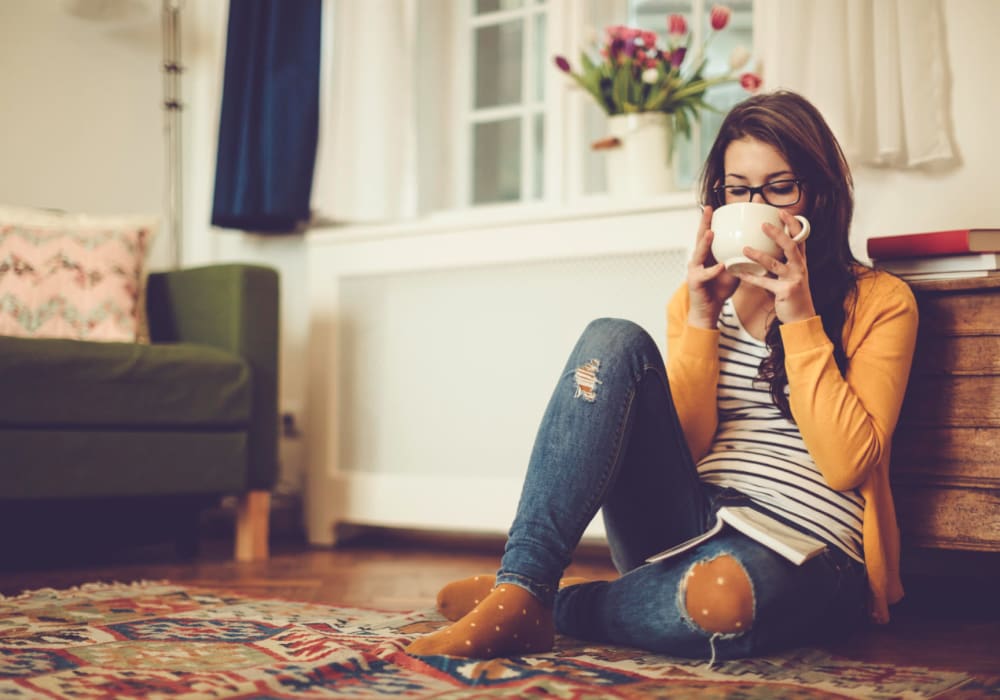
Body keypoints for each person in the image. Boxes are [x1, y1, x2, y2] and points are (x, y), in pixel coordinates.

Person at [405, 90, 919, 662]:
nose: (759, 205)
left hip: (807, 548)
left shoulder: (880, 301)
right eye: (739, 189)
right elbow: (689, 443)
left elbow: (847, 463)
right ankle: (523, 582)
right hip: (687, 522)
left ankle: (549, 606)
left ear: (816, 195)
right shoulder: (697, 303)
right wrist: (702, 319)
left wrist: (798, 316)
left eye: (780, 187)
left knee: (721, 601)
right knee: (610, 338)